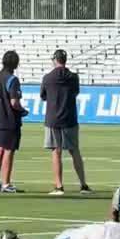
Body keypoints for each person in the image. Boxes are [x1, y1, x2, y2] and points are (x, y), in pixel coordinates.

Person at [40, 48, 91, 195]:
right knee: (75, 151)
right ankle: (83, 185)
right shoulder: (73, 77)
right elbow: (75, 93)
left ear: (55, 60)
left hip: (53, 118)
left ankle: (59, 186)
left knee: (56, 152)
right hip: (70, 117)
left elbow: (43, 96)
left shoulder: (48, 77)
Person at [0, 50, 28, 193]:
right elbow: (14, 102)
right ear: (16, 64)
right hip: (10, 120)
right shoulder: (12, 79)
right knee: (9, 150)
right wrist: (23, 111)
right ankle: (6, 183)